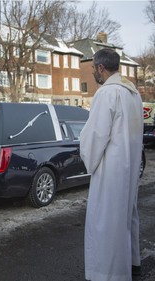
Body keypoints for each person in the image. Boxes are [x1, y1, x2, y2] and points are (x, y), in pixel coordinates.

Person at [80, 48, 143, 281]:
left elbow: (96, 135)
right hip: (129, 166)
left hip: (111, 168)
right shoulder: (133, 93)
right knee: (125, 217)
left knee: (105, 222)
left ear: (100, 68)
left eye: (92, 67)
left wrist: (87, 156)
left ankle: (108, 274)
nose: (93, 72)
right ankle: (131, 263)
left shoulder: (107, 93)